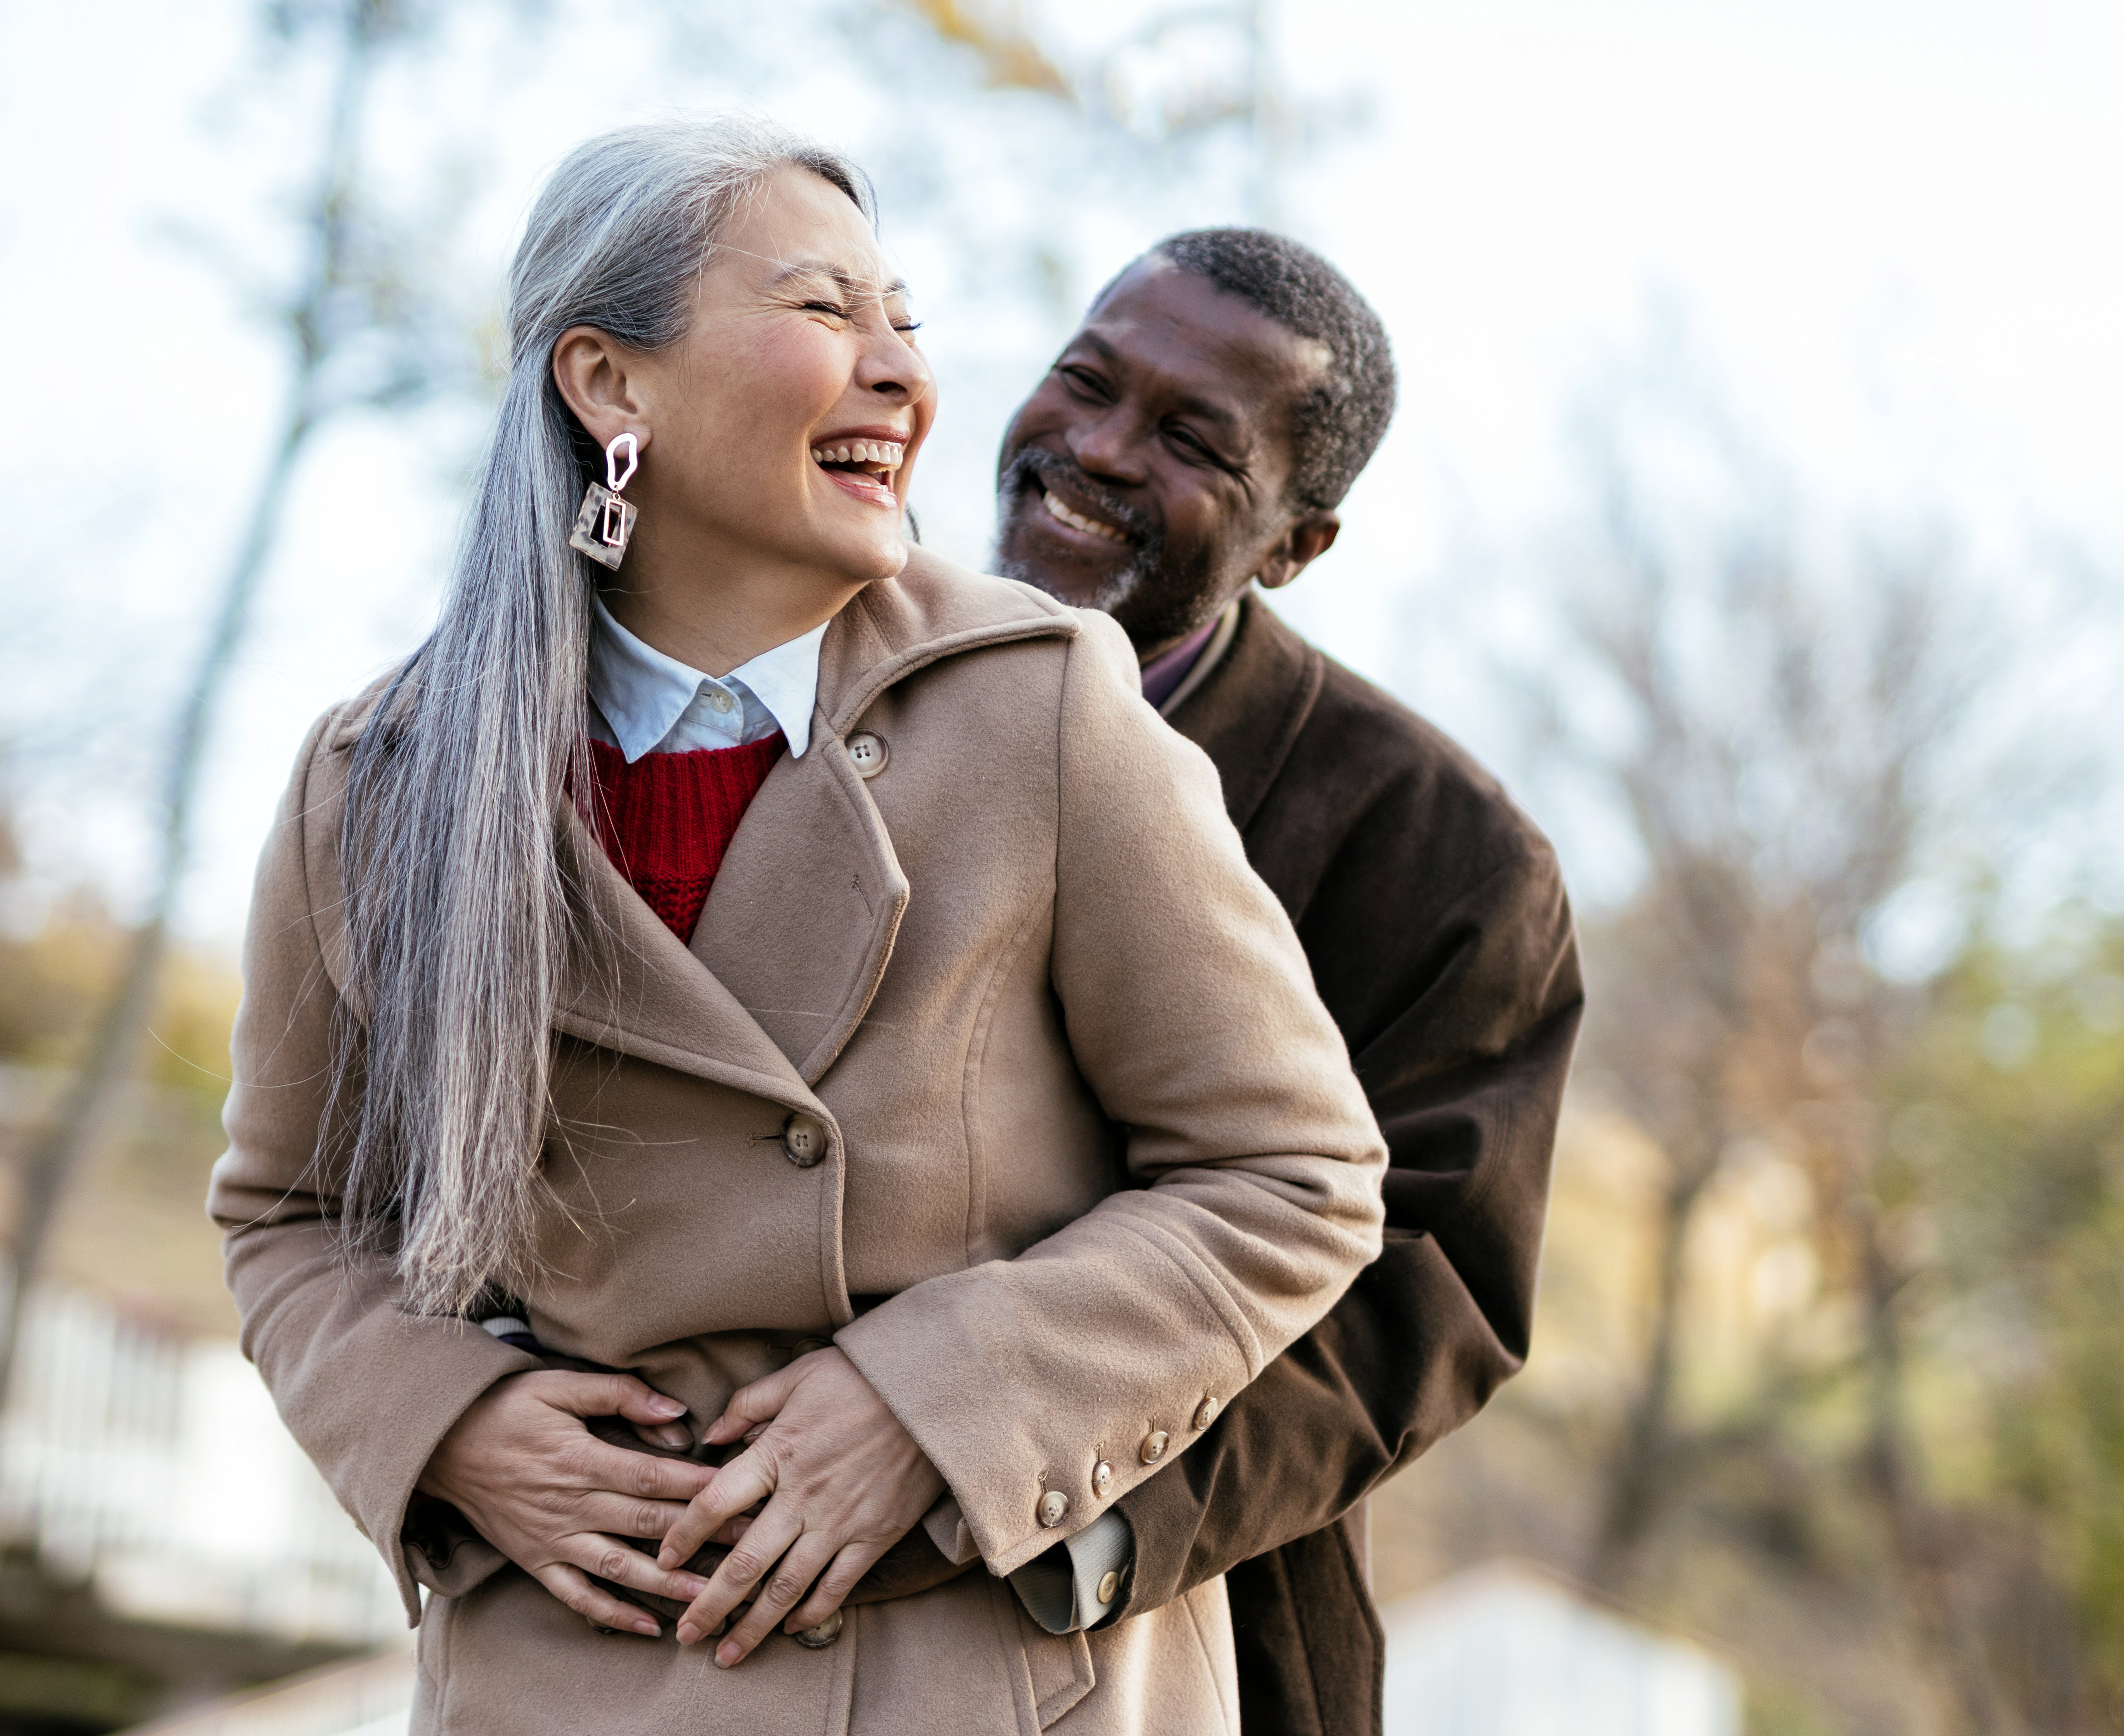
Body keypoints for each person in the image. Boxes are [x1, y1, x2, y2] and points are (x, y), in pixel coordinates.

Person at [207, 120, 1387, 1735]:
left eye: (905, 319)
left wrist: (930, 1402)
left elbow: (1294, 1173)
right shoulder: (384, 777)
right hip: (563, 1662)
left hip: (971, 1663)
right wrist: (452, 1424)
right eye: (829, 312)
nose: (904, 373)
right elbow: (293, 1210)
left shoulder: (1041, 705)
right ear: (609, 385)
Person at [987, 231, 1584, 1736]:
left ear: (1297, 543)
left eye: (1191, 440)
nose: (1096, 449)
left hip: (1171, 1622)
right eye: (1086, 381)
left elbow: (1421, 1291)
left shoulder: (1443, 855)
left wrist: (1046, 1517)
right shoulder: (807, 689)